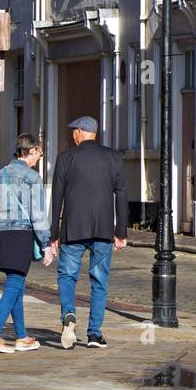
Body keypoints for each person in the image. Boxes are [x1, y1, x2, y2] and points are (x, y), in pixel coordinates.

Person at [49, 116, 128, 350]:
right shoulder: (114, 158)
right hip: (103, 231)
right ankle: (94, 334)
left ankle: (69, 314)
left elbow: (56, 200)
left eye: (74, 131)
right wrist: (120, 232)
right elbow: (121, 196)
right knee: (99, 281)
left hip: (73, 229)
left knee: (67, 276)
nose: (73, 134)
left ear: (81, 132)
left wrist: (53, 233)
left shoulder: (65, 158)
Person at [0, 133, 54, 354]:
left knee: (17, 284)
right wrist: (46, 244)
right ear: (30, 151)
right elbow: (38, 215)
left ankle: (22, 337)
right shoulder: (32, 178)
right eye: (39, 155)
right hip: (20, 234)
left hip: (0, 235)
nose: (39, 159)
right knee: (15, 282)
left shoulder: (1, 175)